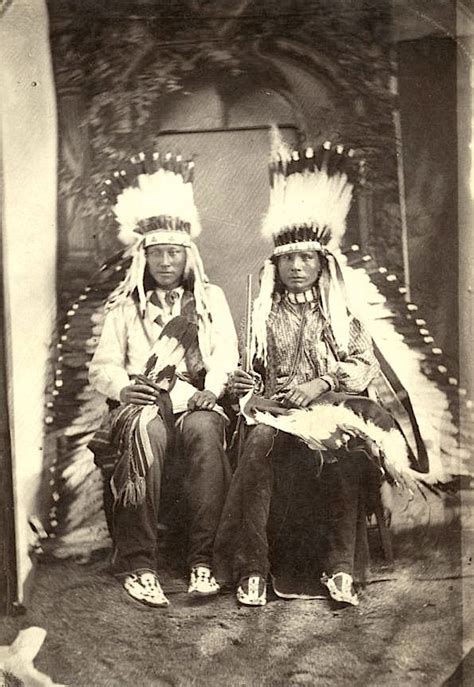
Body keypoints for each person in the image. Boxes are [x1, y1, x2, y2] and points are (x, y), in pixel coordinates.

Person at [214, 135, 412, 608]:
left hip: (333, 410)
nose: (297, 267)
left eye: (307, 258)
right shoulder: (260, 313)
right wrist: (245, 385)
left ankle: (339, 570)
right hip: (276, 414)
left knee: (341, 450)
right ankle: (252, 570)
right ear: (276, 264)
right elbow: (250, 371)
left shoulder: (341, 313)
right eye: (288, 259)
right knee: (258, 446)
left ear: (323, 263)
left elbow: (362, 365)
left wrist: (321, 382)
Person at [89, 151, 239, 608]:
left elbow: (226, 355)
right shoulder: (125, 305)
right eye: (158, 253)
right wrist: (122, 388)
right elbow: (103, 365)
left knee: (206, 431)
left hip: (195, 400)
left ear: (187, 256)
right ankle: (139, 564)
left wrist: (211, 392)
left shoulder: (209, 300)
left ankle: (203, 561)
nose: (167, 262)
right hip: (144, 404)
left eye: (174, 252)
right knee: (144, 434)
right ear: (145, 257)